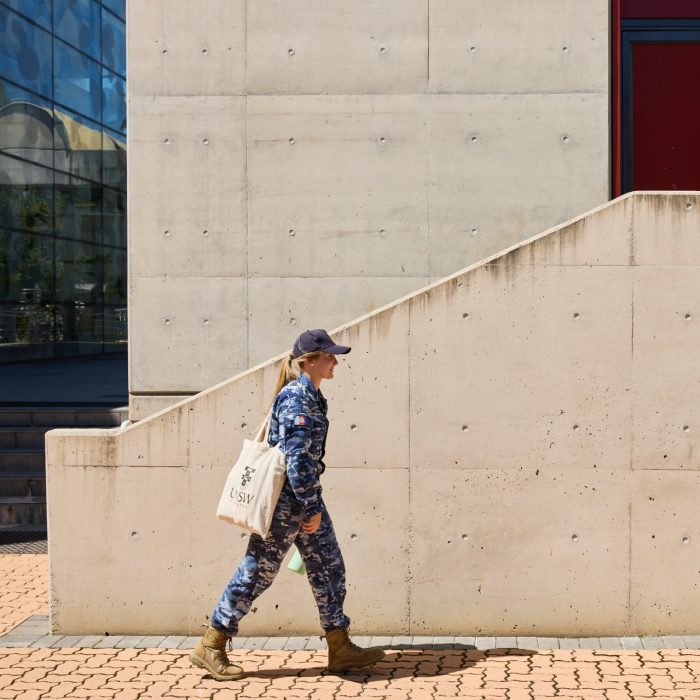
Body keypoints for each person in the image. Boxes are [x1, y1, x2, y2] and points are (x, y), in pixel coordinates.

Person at [190, 329, 386, 680]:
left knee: (329, 567)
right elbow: (297, 460)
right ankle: (212, 644)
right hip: (287, 505)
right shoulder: (297, 399)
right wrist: (310, 508)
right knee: (256, 573)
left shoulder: (313, 396)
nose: (335, 362)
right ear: (310, 360)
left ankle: (339, 645)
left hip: (305, 500)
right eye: (329, 356)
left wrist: (311, 505)